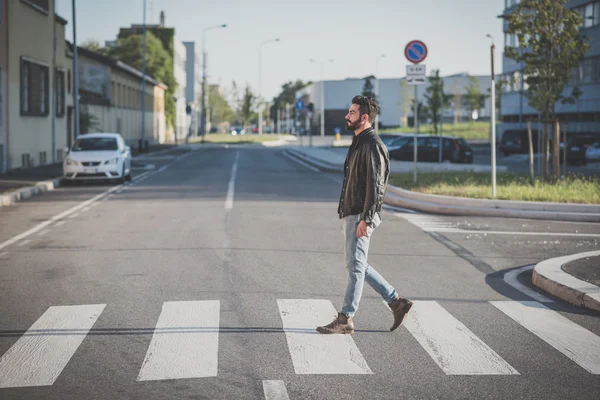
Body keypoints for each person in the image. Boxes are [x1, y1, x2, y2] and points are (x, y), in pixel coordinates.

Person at [316, 95, 413, 335]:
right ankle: (396, 301)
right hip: (353, 211)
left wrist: (366, 218)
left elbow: (376, 184)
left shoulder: (372, 144)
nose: (347, 116)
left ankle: (346, 317)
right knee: (357, 264)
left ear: (364, 117)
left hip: (361, 213)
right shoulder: (359, 141)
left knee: (356, 267)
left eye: (351, 112)